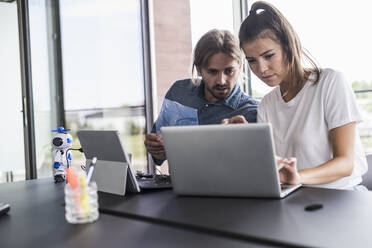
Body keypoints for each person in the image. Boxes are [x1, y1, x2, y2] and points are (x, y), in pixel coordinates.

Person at [223, 1, 367, 189]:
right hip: (297, 197)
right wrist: (248, 141)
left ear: (289, 46)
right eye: (252, 61)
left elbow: (346, 164)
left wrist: (297, 177)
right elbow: (275, 166)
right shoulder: (267, 104)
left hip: (343, 196)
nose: (261, 69)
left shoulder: (331, 82)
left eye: (268, 56)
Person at [145, 29, 258, 165]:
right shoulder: (179, 92)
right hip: (178, 185)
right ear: (199, 69)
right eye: (212, 72)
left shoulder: (251, 112)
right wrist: (156, 148)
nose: (221, 80)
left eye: (229, 71)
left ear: (240, 67)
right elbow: (158, 153)